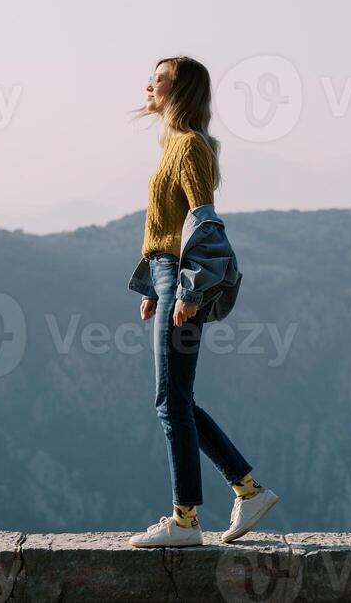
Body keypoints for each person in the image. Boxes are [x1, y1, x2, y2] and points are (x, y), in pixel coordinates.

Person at [127, 55, 279, 548]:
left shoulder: (189, 147)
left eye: (160, 79)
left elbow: (207, 224)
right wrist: (155, 285)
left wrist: (187, 291)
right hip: (168, 277)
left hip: (182, 282)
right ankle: (247, 490)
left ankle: (186, 522)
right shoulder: (173, 145)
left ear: (181, 91)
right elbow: (171, 227)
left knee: (170, 402)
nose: (149, 84)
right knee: (179, 400)